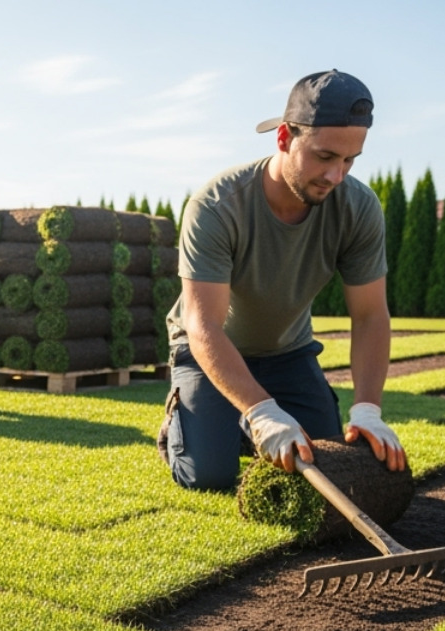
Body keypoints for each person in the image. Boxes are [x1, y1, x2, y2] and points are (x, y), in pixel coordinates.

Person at [161, 69, 404, 491]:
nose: (336, 176)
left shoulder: (358, 208)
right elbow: (203, 326)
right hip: (209, 350)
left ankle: (241, 422)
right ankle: (192, 425)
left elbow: (369, 315)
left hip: (288, 354)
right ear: (284, 138)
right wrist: (262, 411)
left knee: (325, 460)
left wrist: (368, 409)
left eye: (350, 160)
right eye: (325, 156)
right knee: (209, 476)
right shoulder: (217, 205)